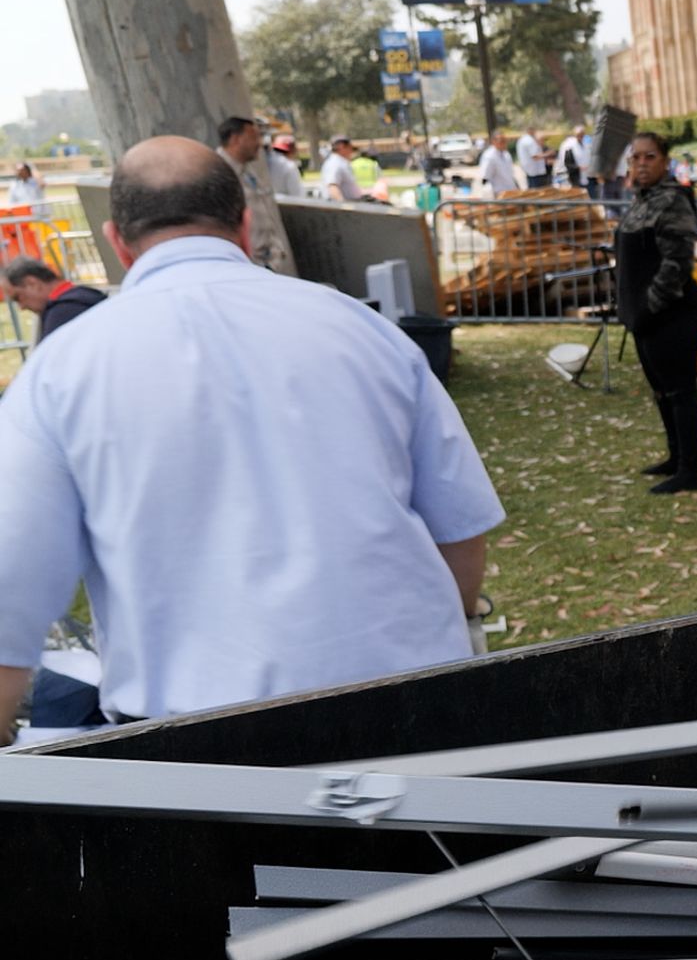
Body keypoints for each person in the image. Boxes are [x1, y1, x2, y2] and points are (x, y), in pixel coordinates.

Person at [0, 136, 502, 732]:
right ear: (243, 226)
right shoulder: (362, 328)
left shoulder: (60, 371)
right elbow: (458, 524)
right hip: (411, 696)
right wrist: (458, 627)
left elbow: (13, 589)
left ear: (116, 241)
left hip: (201, 737)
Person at [616, 131, 697, 495]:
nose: (641, 164)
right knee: (662, 391)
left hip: (674, 314)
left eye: (649, 157)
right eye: (635, 157)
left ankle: (690, 471)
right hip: (645, 318)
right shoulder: (641, 200)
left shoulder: (672, 200)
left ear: (665, 161)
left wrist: (649, 307)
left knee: (680, 391)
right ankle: (675, 457)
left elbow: (677, 263)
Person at [215, 116, 297, 275]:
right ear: (235, 139)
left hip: (267, 263)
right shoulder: (216, 172)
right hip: (243, 266)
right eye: (254, 137)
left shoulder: (248, 171)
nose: (259, 143)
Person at [1, 257, 105, 342]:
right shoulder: (89, 295)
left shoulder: (61, 314)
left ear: (32, 283)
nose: (21, 307)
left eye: (18, 297)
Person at [320, 135, 366, 202]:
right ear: (341, 146)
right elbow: (333, 187)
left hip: (351, 203)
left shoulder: (340, 162)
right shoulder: (335, 163)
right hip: (341, 205)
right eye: (350, 148)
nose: (351, 151)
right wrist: (343, 206)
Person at [478, 130, 520, 196]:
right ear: (493, 142)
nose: (505, 143)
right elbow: (485, 178)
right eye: (502, 141)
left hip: (510, 191)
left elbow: (510, 174)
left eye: (505, 141)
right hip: (499, 193)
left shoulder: (506, 154)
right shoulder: (489, 156)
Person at [560, 124, 591, 193]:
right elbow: (567, 163)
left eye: (582, 134)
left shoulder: (586, 144)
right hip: (575, 176)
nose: (581, 136)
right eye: (579, 135)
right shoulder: (569, 146)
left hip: (587, 175)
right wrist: (578, 168)